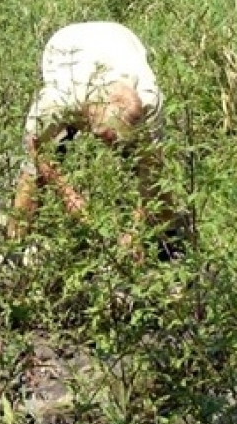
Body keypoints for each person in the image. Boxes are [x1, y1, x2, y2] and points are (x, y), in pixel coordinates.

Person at [9, 22, 179, 257]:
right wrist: (68, 193)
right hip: (66, 45)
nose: (113, 149)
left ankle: (171, 246)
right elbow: (35, 147)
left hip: (119, 37)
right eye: (108, 139)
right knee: (32, 174)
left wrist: (136, 232)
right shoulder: (58, 100)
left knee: (154, 177)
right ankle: (13, 250)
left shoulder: (149, 100)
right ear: (90, 121)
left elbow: (151, 172)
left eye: (119, 143)